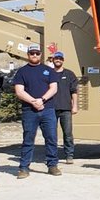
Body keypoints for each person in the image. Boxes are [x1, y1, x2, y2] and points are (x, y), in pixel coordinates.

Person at [11, 44, 61, 179]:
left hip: (48, 109)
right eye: (32, 53)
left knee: (51, 138)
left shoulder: (49, 70)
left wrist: (42, 100)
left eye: (37, 53)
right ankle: (24, 168)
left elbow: (54, 88)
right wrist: (33, 101)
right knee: (28, 139)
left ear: (41, 54)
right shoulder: (22, 72)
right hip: (29, 110)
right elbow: (19, 91)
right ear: (28, 55)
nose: (34, 55)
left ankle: (52, 165)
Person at [49, 51, 80, 164]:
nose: (58, 60)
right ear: (53, 60)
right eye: (56, 58)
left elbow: (74, 91)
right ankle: (52, 156)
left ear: (63, 60)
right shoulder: (48, 73)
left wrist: (75, 106)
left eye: (60, 58)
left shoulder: (69, 74)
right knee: (51, 134)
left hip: (66, 109)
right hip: (51, 108)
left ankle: (69, 155)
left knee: (68, 134)